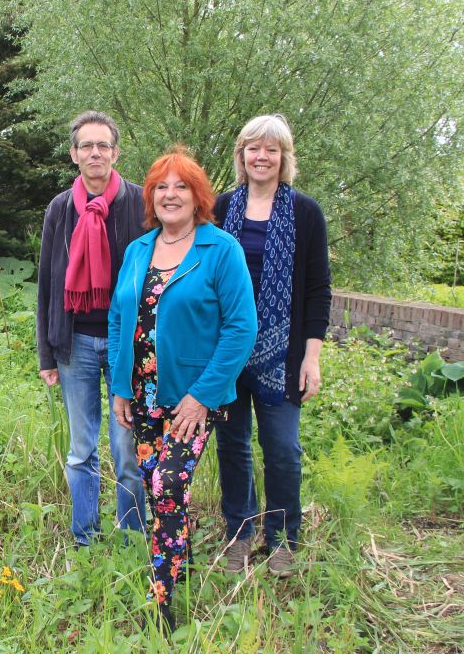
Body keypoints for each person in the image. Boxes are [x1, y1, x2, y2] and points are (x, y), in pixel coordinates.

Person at [109, 147, 257, 630]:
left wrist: (203, 396)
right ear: (151, 197)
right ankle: (183, 566)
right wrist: (120, 387)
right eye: (161, 187)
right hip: (143, 395)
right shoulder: (138, 250)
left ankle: (164, 606)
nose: (170, 195)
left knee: (168, 484)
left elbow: (241, 328)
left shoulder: (221, 249)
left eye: (181, 187)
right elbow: (118, 320)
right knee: (159, 492)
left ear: (198, 197)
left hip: (192, 398)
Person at [214, 114, 332, 577]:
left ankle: (283, 538)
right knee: (233, 445)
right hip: (227, 350)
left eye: (272, 149)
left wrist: (312, 357)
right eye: (254, 148)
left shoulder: (305, 212)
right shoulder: (221, 208)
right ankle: (239, 534)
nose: (262, 156)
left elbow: (318, 288)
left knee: (282, 448)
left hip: (283, 355)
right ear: (241, 155)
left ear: (284, 158)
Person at [36, 110, 148, 546]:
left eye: (103, 145)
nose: (95, 153)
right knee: (81, 450)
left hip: (128, 345)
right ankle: (85, 538)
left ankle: (132, 538)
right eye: (87, 145)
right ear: (74, 154)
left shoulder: (139, 203)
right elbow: (47, 283)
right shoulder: (60, 208)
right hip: (75, 343)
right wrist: (46, 354)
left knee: (126, 449)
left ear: (116, 153)